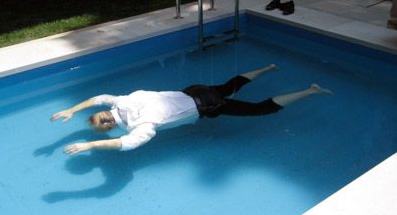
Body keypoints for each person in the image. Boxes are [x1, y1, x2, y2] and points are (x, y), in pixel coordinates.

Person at [51, 64, 333, 156]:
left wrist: (88, 145)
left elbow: (124, 143)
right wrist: (71, 109)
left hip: (205, 105)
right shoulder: (121, 101)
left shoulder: (142, 126)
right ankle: (268, 67)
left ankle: (311, 91)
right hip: (193, 90)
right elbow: (99, 98)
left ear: (108, 125)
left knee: (259, 109)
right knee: (228, 86)